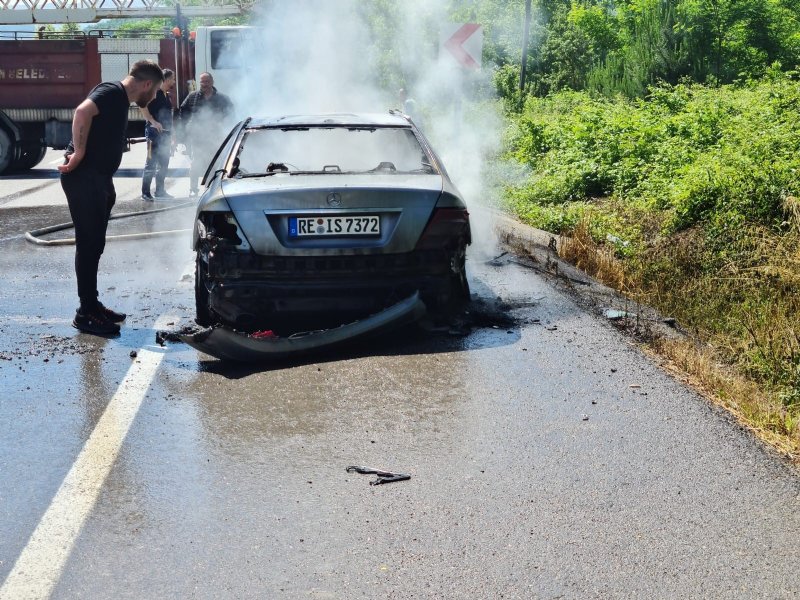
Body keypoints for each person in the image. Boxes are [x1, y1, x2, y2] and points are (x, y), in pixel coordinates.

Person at [59, 60, 164, 336]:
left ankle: (92, 304)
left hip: (98, 179)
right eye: (153, 92)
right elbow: (82, 112)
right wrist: (79, 152)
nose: (153, 98)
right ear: (145, 85)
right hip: (83, 177)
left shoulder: (122, 97)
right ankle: (86, 313)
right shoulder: (110, 92)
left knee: (96, 244)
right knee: (89, 242)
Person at [178, 72, 233, 196]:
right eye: (202, 81)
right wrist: (186, 126)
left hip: (216, 136)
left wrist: (223, 125)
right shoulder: (192, 96)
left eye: (207, 81)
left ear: (212, 82)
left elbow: (230, 112)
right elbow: (183, 109)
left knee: (214, 163)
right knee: (196, 163)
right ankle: (193, 189)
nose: (204, 84)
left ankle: (211, 189)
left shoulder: (222, 98)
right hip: (197, 136)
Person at [140, 68, 176, 200]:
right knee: (151, 163)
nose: (174, 81)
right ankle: (145, 193)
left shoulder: (167, 95)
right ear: (166, 80)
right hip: (153, 134)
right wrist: (153, 122)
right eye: (173, 78)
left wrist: (173, 134)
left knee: (164, 163)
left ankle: (160, 191)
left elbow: (169, 116)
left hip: (166, 134)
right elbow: (142, 106)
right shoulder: (154, 92)